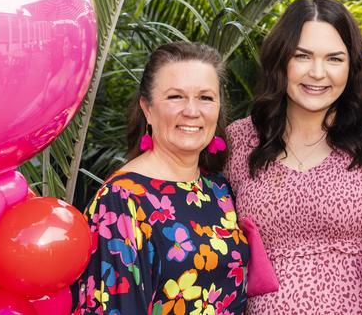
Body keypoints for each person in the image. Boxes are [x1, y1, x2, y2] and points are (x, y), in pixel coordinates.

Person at [225, 0, 362, 314]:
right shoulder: (242, 139)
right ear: (280, 60)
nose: (318, 73)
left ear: (351, 65)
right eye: (302, 56)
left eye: (334, 59)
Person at [72, 41, 249, 314]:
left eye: (206, 97)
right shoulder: (121, 200)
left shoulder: (218, 189)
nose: (192, 110)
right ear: (147, 108)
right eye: (175, 96)